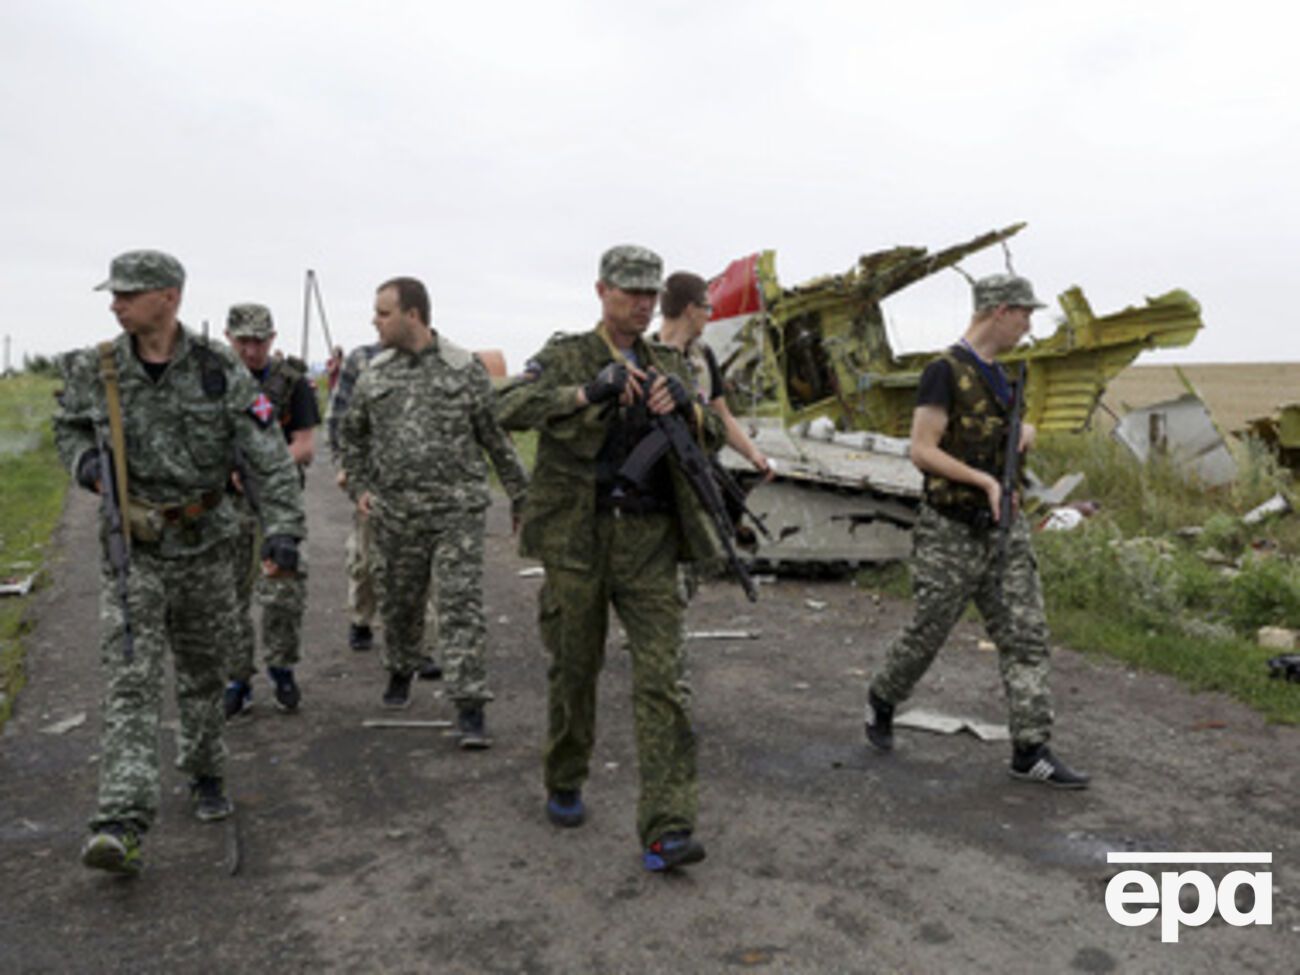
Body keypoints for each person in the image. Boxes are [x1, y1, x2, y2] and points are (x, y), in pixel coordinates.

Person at [54, 250, 305, 876]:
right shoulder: (98, 367)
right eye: (113, 295)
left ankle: (205, 770)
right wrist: (87, 465)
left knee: (202, 672)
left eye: (128, 294)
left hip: (207, 543)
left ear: (168, 296)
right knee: (131, 678)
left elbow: (265, 450)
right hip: (133, 546)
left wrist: (284, 530)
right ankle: (120, 819)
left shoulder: (218, 368)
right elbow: (69, 428)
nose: (115, 304)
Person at [498, 245, 727, 872]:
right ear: (601, 290)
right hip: (578, 538)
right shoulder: (568, 353)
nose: (643, 304)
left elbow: (708, 428)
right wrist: (583, 393)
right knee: (575, 666)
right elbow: (504, 407)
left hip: (649, 541)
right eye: (630, 293)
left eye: (651, 294)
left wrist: (685, 405)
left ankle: (667, 828)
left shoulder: (670, 361)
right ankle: (566, 774)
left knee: (665, 681)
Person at [863, 273, 1089, 789]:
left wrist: (1022, 434)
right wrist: (983, 480)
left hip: (1002, 530)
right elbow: (923, 449)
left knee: (1026, 634)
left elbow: (1002, 438)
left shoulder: (1003, 377)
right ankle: (882, 697)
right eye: (1024, 313)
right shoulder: (944, 371)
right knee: (930, 629)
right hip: (951, 530)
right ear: (998, 311)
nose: (1029, 324)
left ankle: (1031, 749)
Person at [338, 277, 527, 748]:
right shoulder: (374, 374)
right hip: (395, 513)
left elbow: (494, 438)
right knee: (400, 605)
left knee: (460, 605)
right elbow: (351, 436)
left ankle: (469, 706)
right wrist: (359, 486)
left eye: (383, 313)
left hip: (456, 511)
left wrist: (522, 497)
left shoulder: (464, 370)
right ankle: (401, 667)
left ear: (413, 315)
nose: (375, 322)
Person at [221, 303, 319, 718]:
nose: (251, 350)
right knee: (230, 595)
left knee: (284, 589)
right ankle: (237, 678)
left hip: (279, 501)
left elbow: (305, 445)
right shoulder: (212, 382)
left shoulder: (291, 383)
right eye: (243, 341)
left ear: (272, 340)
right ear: (229, 338)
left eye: (259, 341)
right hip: (227, 505)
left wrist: (267, 467)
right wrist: (228, 471)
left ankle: (281, 668)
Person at [326, 342, 444, 681]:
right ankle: (361, 617)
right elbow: (338, 418)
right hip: (372, 481)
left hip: (420, 485)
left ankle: (419, 647)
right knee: (366, 561)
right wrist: (345, 466)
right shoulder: (361, 361)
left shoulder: (436, 363)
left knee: (420, 568)